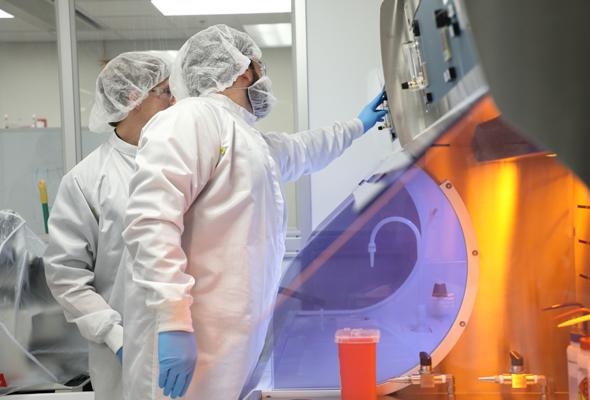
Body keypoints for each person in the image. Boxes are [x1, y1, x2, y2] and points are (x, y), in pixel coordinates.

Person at [121, 24, 387, 400]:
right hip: (193, 340)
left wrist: (357, 126)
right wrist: (172, 322)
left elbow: (303, 150)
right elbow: (151, 222)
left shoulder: (245, 137)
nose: (265, 76)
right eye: (260, 66)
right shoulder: (192, 118)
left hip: (231, 344)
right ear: (244, 69)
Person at [43, 51, 174, 400]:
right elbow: (66, 275)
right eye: (164, 91)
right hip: (122, 356)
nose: (175, 100)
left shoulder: (187, 165)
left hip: (193, 344)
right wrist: (115, 336)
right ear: (133, 98)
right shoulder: (86, 180)